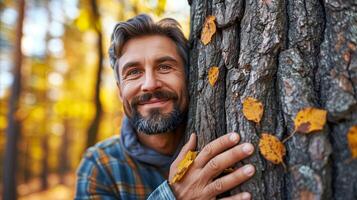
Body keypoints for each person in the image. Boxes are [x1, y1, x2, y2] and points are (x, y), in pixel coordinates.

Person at [75, 14, 255, 200]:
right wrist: (173, 197)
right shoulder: (100, 165)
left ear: (189, 78)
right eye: (134, 72)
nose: (150, 84)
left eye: (165, 67)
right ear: (120, 91)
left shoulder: (223, 139)